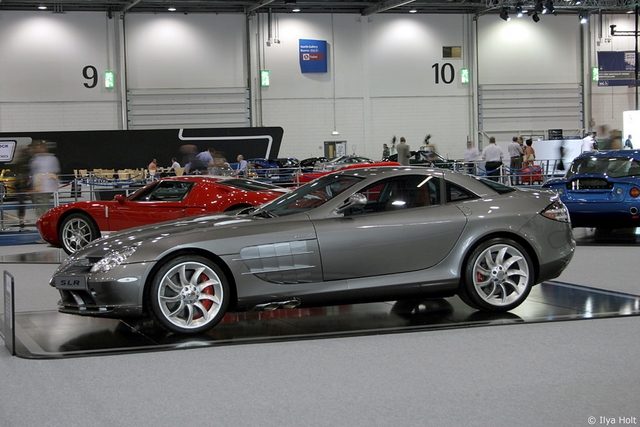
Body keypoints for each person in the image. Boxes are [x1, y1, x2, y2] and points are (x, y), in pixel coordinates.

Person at [29, 140, 60, 218]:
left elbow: (56, 172)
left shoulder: (52, 158)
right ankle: (41, 216)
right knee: (37, 204)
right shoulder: (35, 159)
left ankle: (43, 218)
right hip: (36, 186)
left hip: (46, 187)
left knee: (44, 203)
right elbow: (33, 172)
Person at [13, 146, 31, 230]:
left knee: (22, 204)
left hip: (23, 185)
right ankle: (21, 222)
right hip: (21, 186)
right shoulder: (23, 162)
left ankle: (21, 221)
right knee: (22, 204)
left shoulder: (23, 161)